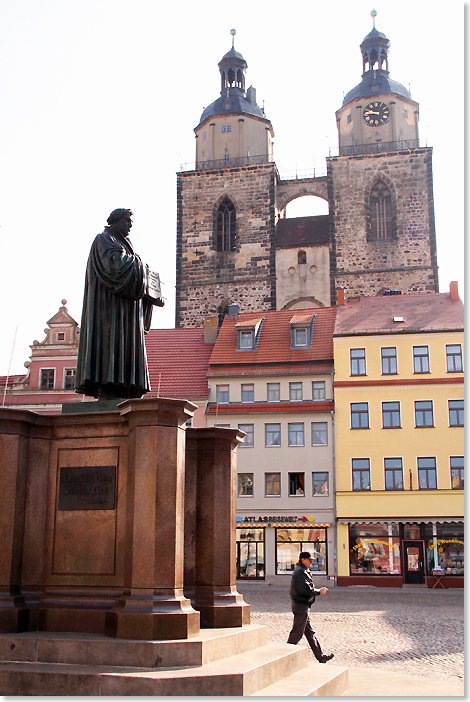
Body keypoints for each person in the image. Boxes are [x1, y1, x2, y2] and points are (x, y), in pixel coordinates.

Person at [75, 208, 156, 400]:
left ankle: (125, 386)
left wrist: (148, 284)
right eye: (127, 221)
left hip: (126, 313)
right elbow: (116, 268)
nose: (130, 225)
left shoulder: (123, 244)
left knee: (124, 347)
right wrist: (141, 268)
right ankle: (108, 386)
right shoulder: (104, 239)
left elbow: (130, 269)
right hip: (110, 311)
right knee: (110, 345)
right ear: (115, 221)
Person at [287, 551, 334, 663]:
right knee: (296, 633)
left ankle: (321, 657)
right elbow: (305, 589)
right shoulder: (300, 572)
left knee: (309, 633)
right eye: (309, 560)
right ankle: (286, 654)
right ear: (303, 560)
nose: (311, 562)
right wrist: (319, 592)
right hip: (300, 606)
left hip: (303, 606)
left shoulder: (303, 571)